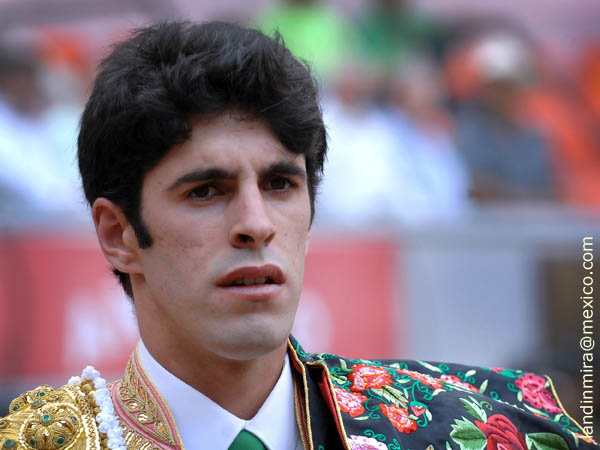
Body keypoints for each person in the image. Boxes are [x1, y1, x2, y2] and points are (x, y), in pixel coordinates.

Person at [0, 21, 596, 450]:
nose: (256, 223)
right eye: (205, 191)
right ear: (119, 234)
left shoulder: (479, 428)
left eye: (281, 184)